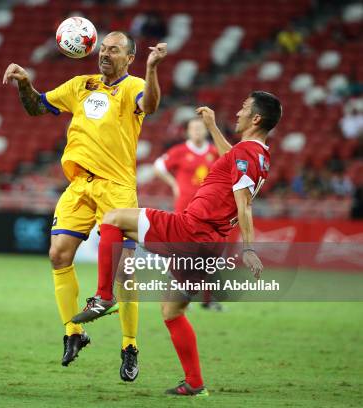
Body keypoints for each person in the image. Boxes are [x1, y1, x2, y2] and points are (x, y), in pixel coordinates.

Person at [74, 91, 282, 396]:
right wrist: (212, 126)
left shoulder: (246, 155)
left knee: (113, 220)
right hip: (211, 243)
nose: (237, 112)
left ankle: (104, 296)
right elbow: (231, 157)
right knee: (172, 311)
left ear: (256, 118)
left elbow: (244, 205)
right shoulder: (257, 154)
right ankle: (194, 383)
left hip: (190, 230)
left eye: (243, 108)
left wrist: (249, 249)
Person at [3, 32, 167, 381]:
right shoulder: (81, 85)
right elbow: (37, 106)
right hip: (79, 186)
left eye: (115, 50)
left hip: (117, 190)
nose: (106, 54)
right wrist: (24, 83)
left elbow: (150, 105)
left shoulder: (134, 85)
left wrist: (153, 69)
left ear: (130, 58)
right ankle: (74, 333)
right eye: (103, 48)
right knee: (58, 254)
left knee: (124, 272)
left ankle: (129, 346)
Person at [153, 117, 223, 311]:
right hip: (184, 210)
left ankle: (208, 300)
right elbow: (158, 167)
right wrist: (174, 184)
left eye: (200, 128)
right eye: (193, 128)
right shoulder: (180, 151)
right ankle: (177, 297)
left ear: (206, 131)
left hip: (209, 211)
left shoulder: (215, 151)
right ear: (188, 132)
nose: (197, 131)